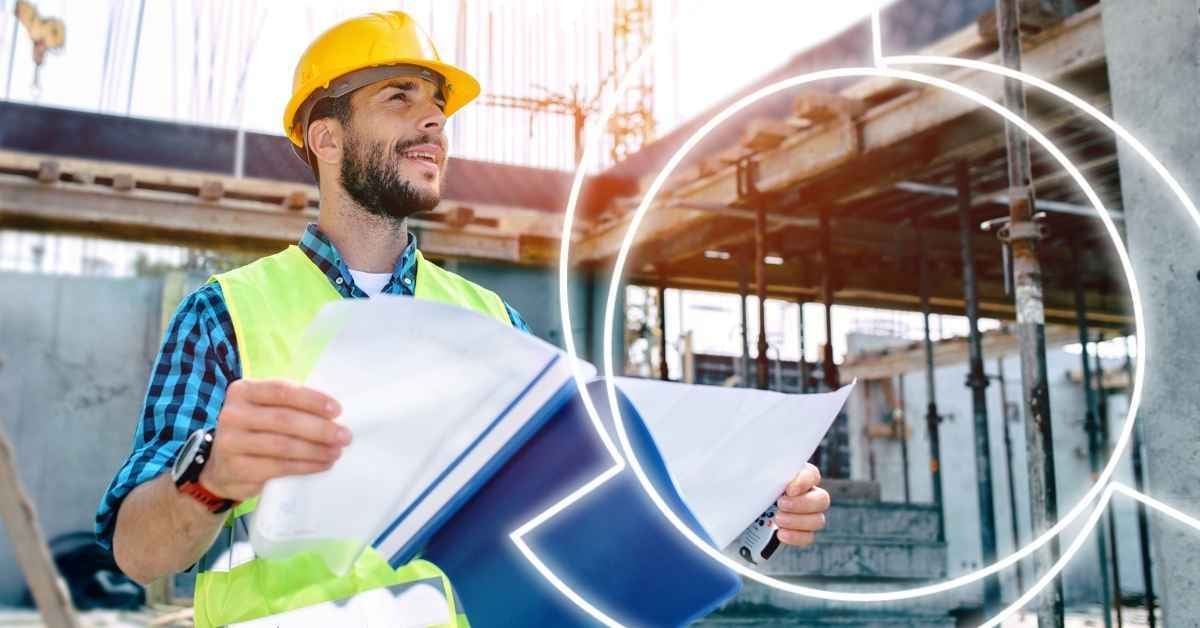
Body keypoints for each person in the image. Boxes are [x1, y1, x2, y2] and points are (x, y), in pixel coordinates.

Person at [95, 10, 831, 627]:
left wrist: (748, 494)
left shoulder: (491, 323)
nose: (434, 120)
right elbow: (140, 551)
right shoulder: (225, 314)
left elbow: (582, 503)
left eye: (437, 104)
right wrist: (212, 476)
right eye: (400, 97)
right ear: (326, 137)